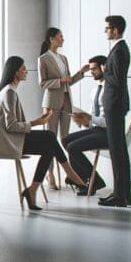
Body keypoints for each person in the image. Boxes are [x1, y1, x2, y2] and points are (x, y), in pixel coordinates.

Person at [0, 56, 86, 210]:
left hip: (11, 138)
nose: (26, 71)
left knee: (49, 143)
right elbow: (11, 126)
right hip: (8, 142)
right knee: (50, 139)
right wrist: (36, 122)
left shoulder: (9, 90)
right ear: (15, 72)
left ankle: (34, 189)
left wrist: (38, 121)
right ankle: (71, 176)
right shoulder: (9, 93)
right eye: (23, 69)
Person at [37, 27, 89, 188]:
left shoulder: (63, 58)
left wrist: (81, 72)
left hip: (66, 103)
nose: (63, 39)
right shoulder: (43, 59)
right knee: (50, 140)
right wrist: (60, 80)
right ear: (51, 39)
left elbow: (69, 81)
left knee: (66, 139)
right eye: (60, 36)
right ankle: (50, 174)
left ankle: (72, 175)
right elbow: (42, 83)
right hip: (51, 104)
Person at [98, 15, 131, 207]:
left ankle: (120, 196)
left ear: (116, 30)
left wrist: (105, 72)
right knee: (120, 151)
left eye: (107, 28)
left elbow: (117, 80)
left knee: (117, 151)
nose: (105, 31)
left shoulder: (119, 51)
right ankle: (124, 195)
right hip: (116, 105)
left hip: (115, 105)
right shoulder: (119, 48)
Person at [63, 55, 108, 196]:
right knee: (66, 140)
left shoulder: (109, 91)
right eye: (91, 69)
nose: (92, 72)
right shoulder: (96, 90)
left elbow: (108, 121)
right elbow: (92, 117)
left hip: (108, 132)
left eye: (94, 69)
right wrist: (83, 121)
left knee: (72, 147)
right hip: (97, 129)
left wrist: (90, 118)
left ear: (103, 68)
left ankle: (93, 181)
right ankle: (82, 179)